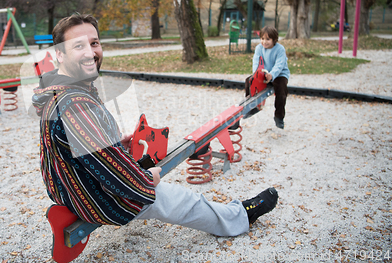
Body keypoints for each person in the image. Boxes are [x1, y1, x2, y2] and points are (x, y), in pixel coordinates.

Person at [32, 14, 278, 238]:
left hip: (67, 186)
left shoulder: (59, 89)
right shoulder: (75, 104)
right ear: (60, 55)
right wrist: (147, 179)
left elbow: (82, 148)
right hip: (93, 197)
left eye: (94, 43)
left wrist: (115, 145)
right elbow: (118, 177)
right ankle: (240, 217)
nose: (90, 52)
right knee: (182, 200)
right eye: (78, 46)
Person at [246, 26, 290, 129]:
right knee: (249, 81)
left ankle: (279, 117)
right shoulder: (259, 48)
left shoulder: (279, 49)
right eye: (262, 38)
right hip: (264, 73)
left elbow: (279, 64)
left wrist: (272, 75)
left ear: (274, 40)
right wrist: (255, 73)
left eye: (267, 39)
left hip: (279, 74)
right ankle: (252, 106)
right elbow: (256, 61)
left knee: (281, 90)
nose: (264, 42)